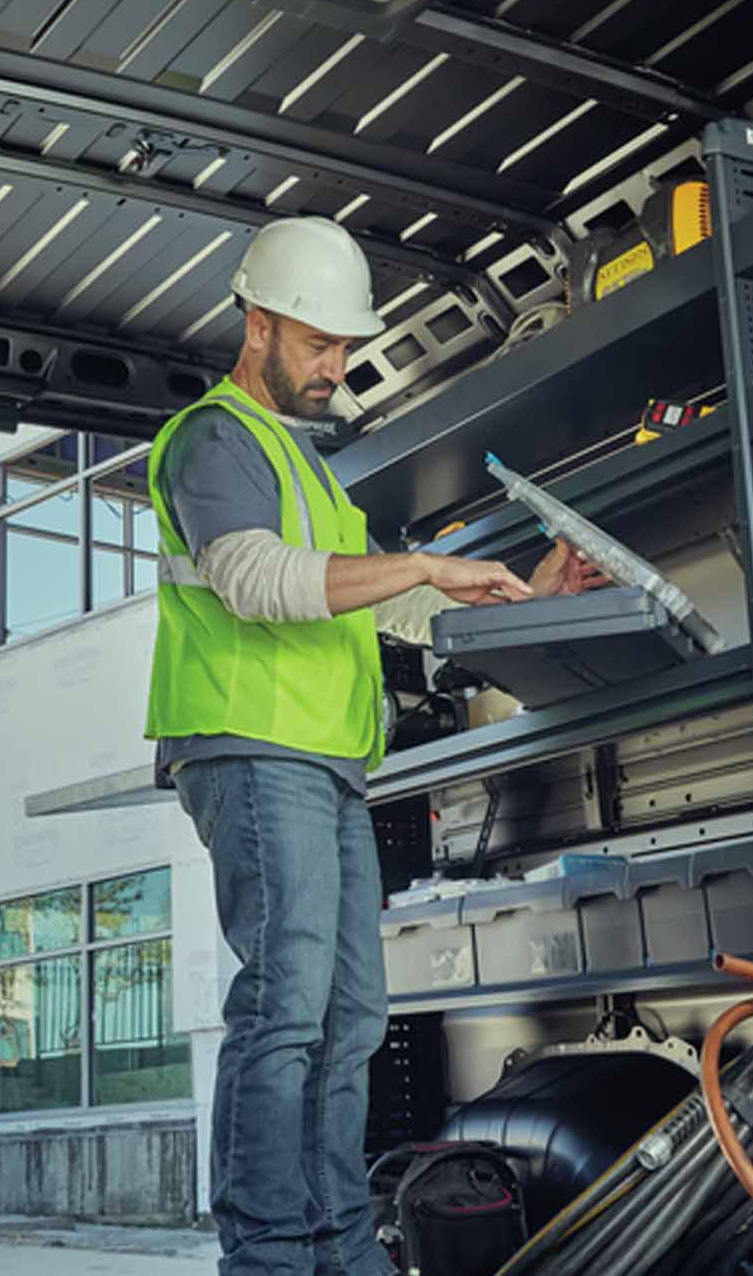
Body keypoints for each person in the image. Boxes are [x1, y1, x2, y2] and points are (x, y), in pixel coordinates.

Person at [144, 217, 599, 1275]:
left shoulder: (310, 474)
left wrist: (517, 595)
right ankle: (265, 1254)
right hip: (251, 748)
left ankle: (342, 1251)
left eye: (345, 346)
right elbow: (258, 583)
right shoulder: (215, 440)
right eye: (317, 342)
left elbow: (374, 610)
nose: (336, 366)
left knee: (349, 1019)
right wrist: (424, 568)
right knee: (283, 1007)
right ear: (256, 326)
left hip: (326, 763)